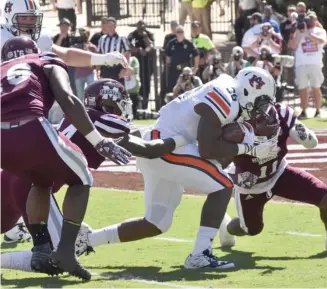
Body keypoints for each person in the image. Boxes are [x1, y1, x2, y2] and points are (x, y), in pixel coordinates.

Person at [72, 67, 277, 269]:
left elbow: (216, 159)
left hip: (165, 144)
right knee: (223, 185)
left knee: (157, 221)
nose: (261, 108)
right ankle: (200, 254)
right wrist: (248, 147)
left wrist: (240, 144)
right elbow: (207, 150)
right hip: (167, 146)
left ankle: (87, 240)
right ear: (250, 90)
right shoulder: (227, 98)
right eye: (262, 101)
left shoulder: (228, 90)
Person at [1, 78, 191, 272]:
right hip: (33, 187)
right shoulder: (104, 123)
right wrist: (184, 137)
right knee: (55, 257)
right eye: (121, 103)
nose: (124, 109)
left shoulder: (81, 116)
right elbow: (149, 149)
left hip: (10, 177)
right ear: (108, 103)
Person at [0, 36, 131, 279]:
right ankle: (66, 253)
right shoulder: (44, 59)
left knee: (41, 180)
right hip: (30, 127)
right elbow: (69, 99)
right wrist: (99, 141)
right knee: (82, 176)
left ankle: (40, 246)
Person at [219, 103, 327, 252]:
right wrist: (236, 175)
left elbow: (311, 143)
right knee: (251, 229)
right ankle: (226, 227)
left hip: (280, 173)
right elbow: (218, 164)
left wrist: (304, 134)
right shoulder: (234, 128)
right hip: (252, 186)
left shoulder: (282, 114)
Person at [1, 0, 127, 72]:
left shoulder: (40, 39)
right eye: (24, 18)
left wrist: (103, 59)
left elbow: (66, 55)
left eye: (32, 18)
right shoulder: (2, 36)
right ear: (8, 17)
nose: (29, 22)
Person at [289, 12, 327, 119]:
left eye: (311, 19)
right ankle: (304, 110)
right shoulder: (299, 31)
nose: (309, 21)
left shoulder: (320, 31)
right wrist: (298, 32)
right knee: (303, 88)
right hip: (301, 63)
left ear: (315, 20)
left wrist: (307, 34)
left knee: (316, 87)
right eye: (307, 19)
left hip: (315, 63)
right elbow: (292, 46)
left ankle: (318, 110)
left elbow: (321, 41)